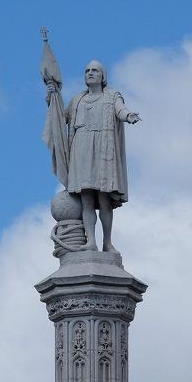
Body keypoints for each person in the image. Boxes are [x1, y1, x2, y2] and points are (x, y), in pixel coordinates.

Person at [47, 61, 140, 252]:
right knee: (87, 199)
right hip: (81, 149)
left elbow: (120, 109)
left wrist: (128, 115)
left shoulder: (112, 96)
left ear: (102, 76)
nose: (90, 73)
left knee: (104, 199)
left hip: (103, 150)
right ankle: (91, 241)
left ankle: (107, 242)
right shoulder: (77, 100)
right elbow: (60, 118)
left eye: (94, 70)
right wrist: (52, 97)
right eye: (87, 70)